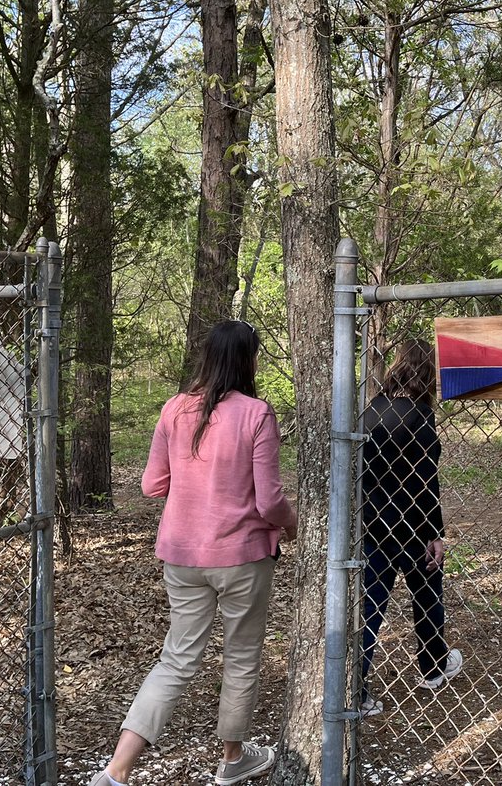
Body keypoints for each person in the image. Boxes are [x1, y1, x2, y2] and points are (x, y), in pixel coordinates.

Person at [89, 320, 298, 786]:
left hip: (181, 555)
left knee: (176, 659)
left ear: (207, 358)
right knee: (241, 656)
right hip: (242, 555)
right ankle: (232, 760)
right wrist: (291, 524)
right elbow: (268, 501)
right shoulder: (257, 414)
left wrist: (193, 487)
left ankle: (117, 770)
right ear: (247, 360)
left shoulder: (173, 409)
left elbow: (152, 485)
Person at [358, 339, 462, 717]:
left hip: (372, 524)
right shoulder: (419, 414)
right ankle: (433, 668)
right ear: (428, 374)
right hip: (413, 525)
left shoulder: (371, 410)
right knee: (428, 595)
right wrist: (436, 533)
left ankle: (355, 684)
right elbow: (425, 479)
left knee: (369, 606)